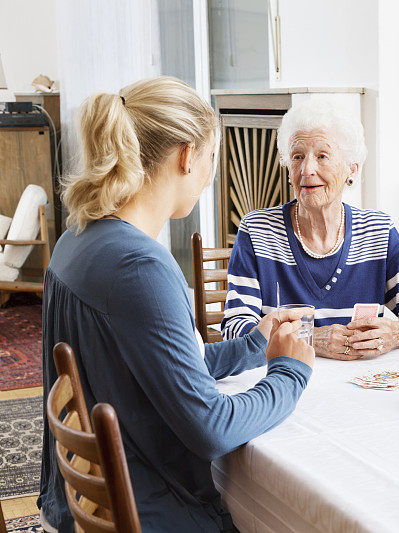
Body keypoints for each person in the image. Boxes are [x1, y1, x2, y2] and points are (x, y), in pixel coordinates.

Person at [39, 76, 315, 532]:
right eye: (212, 159)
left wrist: (253, 345)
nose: (210, 177)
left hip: (76, 508)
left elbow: (157, 363)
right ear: (188, 156)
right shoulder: (140, 267)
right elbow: (212, 429)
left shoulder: (77, 238)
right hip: (151, 515)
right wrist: (290, 373)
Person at [221, 99, 399, 359]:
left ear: (352, 168)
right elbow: (235, 331)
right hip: (284, 382)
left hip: (360, 387)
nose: (307, 169)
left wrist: (396, 334)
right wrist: (312, 339)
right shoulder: (258, 231)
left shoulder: (377, 232)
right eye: (297, 156)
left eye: (322, 156)